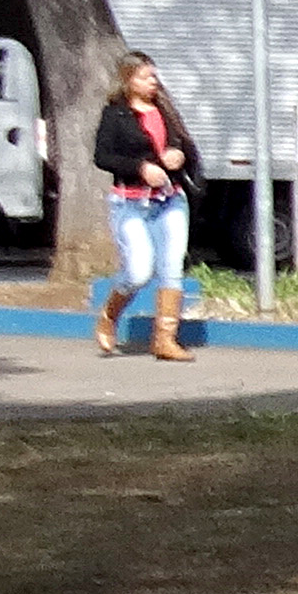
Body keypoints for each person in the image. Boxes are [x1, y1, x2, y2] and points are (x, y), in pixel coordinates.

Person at [92, 51, 200, 361]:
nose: (152, 82)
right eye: (144, 77)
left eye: (153, 76)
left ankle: (165, 340)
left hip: (170, 200)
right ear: (128, 80)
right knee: (139, 271)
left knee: (171, 269)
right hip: (130, 202)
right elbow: (103, 157)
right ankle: (110, 315)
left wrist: (177, 154)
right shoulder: (115, 114)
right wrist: (141, 168)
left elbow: (184, 146)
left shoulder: (164, 109)